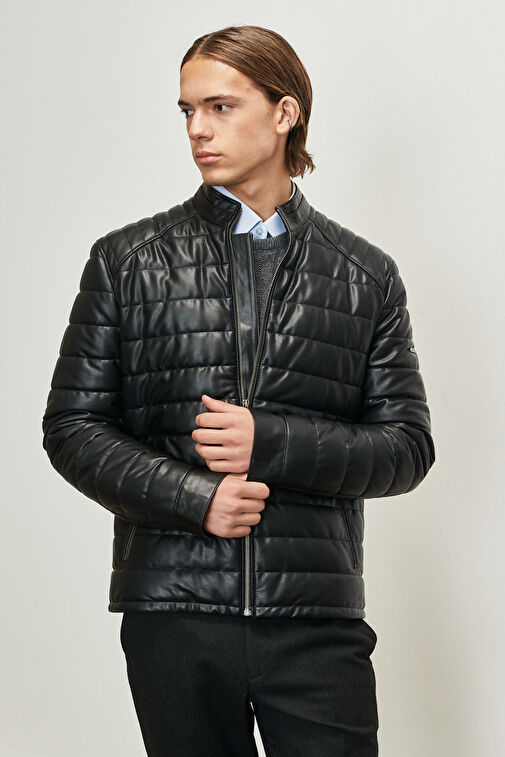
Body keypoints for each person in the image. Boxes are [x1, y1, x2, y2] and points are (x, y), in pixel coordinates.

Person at [42, 24, 436, 757]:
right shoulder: (127, 261)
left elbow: (407, 449)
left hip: (316, 617)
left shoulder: (364, 274)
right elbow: (72, 428)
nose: (197, 129)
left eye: (220, 107)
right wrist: (197, 498)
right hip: (174, 612)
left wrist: (270, 442)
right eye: (187, 110)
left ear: (284, 113)